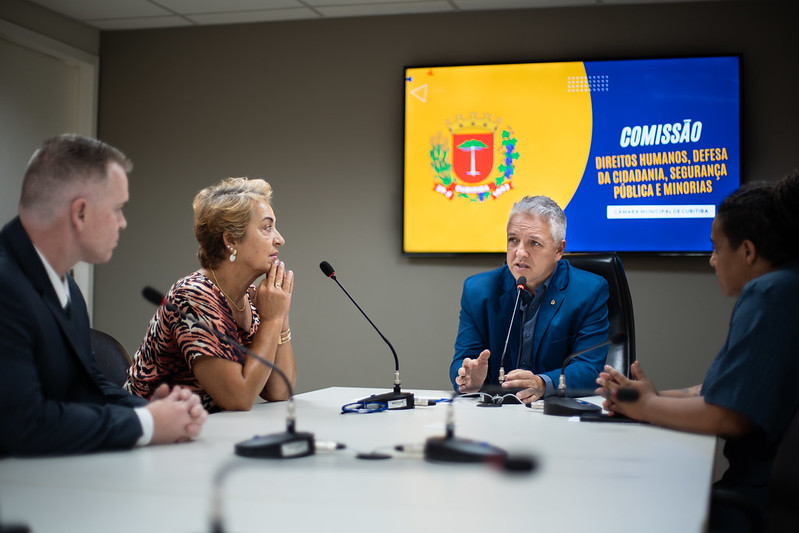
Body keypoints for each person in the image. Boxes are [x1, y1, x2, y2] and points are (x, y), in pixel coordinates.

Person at [596, 173, 799, 531]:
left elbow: (730, 415)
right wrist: (656, 397)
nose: (711, 260)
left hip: (758, 501)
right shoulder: (787, 285)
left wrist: (645, 407)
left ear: (748, 251)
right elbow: (721, 391)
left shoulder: (770, 293)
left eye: (717, 248)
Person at [0, 134, 208, 457]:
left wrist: (154, 411)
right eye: (118, 209)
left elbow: (87, 385)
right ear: (80, 213)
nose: (123, 223)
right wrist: (146, 424)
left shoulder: (67, 289)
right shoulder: (5, 285)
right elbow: (21, 423)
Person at [125, 177, 296, 413]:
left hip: (201, 433)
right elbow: (239, 398)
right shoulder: (193, 296)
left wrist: (280, 317)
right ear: (231, 240)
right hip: (149, 438)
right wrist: (272, 320)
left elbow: (278, 391)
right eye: (267, 227)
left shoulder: (252, 298)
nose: (280, 239)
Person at [450, 195, 609, 404]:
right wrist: (470, 379)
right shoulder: (478, 291)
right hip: (497, 416)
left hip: (558, 416)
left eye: (534, 243)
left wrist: (543, 383)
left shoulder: (589, 291)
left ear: (558, 250)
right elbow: (463, 360)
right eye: (513, 240)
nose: (520, 252)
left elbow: (590, 368)